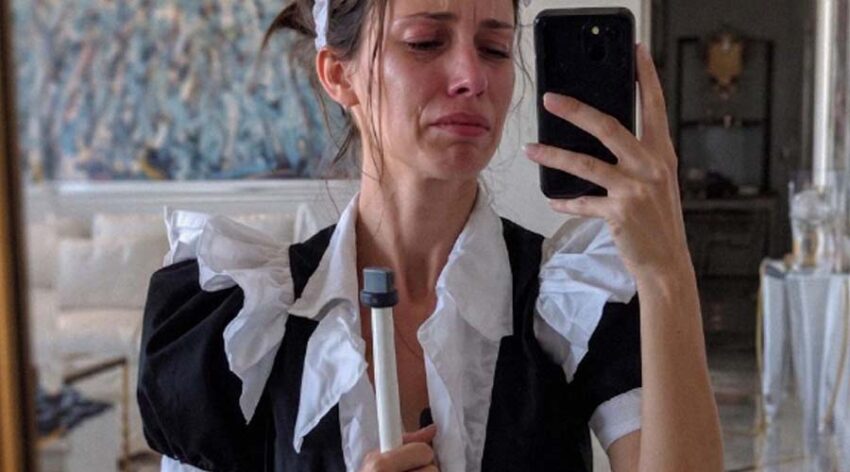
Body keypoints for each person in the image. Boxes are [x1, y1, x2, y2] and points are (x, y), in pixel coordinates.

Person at [137, 0, 724, 471]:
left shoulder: (573, 303)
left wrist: (666, 270)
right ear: (339, 75)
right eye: (424, 42)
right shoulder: (238, 327)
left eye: (495, 49)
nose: (472, 77)